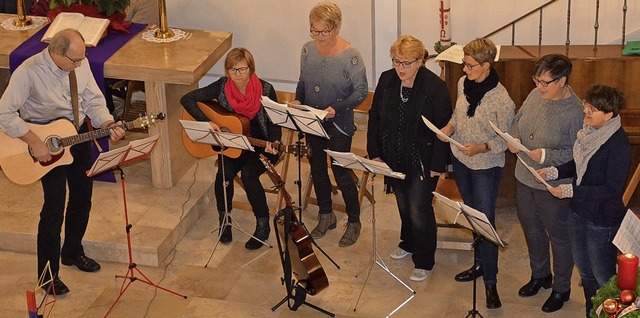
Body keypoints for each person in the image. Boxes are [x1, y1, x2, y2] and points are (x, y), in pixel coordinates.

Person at [0, 29, 126, 295]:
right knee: (53, 208)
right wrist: (33, 141)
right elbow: (4, 112)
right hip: (44, 142)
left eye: (81, 59)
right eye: (74, 60)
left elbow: (93, 99)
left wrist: (108, 122)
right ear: (57, 53)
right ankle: (47, 276)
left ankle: (72, 251)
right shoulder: (29, 71)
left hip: (76, 134)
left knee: (83, 196)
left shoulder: (79, 64)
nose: (79, 65)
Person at [538, 85, 631, 317]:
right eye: (586, 105)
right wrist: (553, 172)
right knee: (586, 272)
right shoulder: (588, 133)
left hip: (602, 219)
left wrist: (571, 191)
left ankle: (608, 312)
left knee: (603, 277)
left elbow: (611, 190)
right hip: (578, 213)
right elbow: (578, 165)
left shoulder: (618, 144)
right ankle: (592, 312)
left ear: (608, 114)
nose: (586, 112)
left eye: (592, 109)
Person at [367, 35, 452, 281]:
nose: (400, 68)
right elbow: (375, 117)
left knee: (418, 207)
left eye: (406, 63)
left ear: (420, 61)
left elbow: (443, 127)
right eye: (396, 61)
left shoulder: (435, 87)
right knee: (402, 201)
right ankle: (408, 241)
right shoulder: (387, 79)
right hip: (394, 153)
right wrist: (375, 153)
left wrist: (438, 165)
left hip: (423, 158)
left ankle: (425, 259)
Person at [180, 48, 281, 251]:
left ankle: (262, 225)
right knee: (224, 172)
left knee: (249, 175)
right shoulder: (221, 87)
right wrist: (207, 122)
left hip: (261, 146)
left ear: (251, 69)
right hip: (234, 144)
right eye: (232, 70)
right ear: (227, 71)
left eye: (242, 69)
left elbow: (275, 123)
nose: (237, 75)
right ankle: (224, 220)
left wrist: (274, 141)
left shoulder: (266, 89)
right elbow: (187, 99)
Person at [439, 38, 515, 308]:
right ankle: (480, 264)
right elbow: (457, 116)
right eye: (464, 64)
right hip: (461, 159)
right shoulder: (462, 84)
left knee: (485, 222)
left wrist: (482, 147)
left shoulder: (502, 99)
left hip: (485, 167)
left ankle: (491, 284)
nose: (464, 70)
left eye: (470, 66)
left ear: (486, 65)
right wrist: (448, 129)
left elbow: (506, 141)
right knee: (472, 216)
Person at [508, 53, 583, 313]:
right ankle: (540, 275)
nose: (539, 87)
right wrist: (514, 138)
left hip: (553, 184)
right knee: (532, 230)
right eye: (536, 80)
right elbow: (518, 120)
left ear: (562, 81)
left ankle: (562, 288)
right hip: (525, 177)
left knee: (559, 238)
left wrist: (545, 156)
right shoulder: (535, 94)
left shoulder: (575, 111)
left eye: (545, 82)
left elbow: (577, 153)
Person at [292, 1, 368, 247]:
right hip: (312, 120)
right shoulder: (307, 49)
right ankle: (326, 215)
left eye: (324, 31)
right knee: (316, 169)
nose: (318, 36)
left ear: (336, 27)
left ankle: (354, 220)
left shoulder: (351, 55)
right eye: (314, 30)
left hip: (339, 122)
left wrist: (337, 108)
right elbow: (303, 81)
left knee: (340, 171)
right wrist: (297, 99)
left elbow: (361, 92)